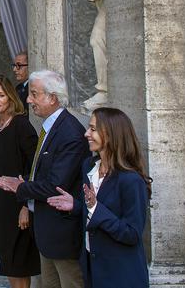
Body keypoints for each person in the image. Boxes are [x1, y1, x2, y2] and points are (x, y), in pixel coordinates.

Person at [0, 70, 89, 288]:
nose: (28, 99)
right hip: (47, 233)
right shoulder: (51, 126)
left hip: (62, 236)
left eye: (34, 94)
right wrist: (25, 181)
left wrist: (21, 187)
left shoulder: (70, 133)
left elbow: (55, 184)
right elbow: (43, 172)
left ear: (52, 98)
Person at [48, 107, 151, 288]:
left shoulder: (131, 180)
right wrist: (77, 206)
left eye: (93, 129)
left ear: (111, 135)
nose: (87, 133)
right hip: (92, 272)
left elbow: (132, 234)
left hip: (121, 277)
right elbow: (93, 211)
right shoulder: (88, 166)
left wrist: (95, 208)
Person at [0, 76, 39, 287]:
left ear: (10, 98)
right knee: (9, 263)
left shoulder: (21, 126)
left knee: (18, 265)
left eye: (1, 95)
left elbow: (34, 167)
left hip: (17, 208)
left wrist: (26, 205)